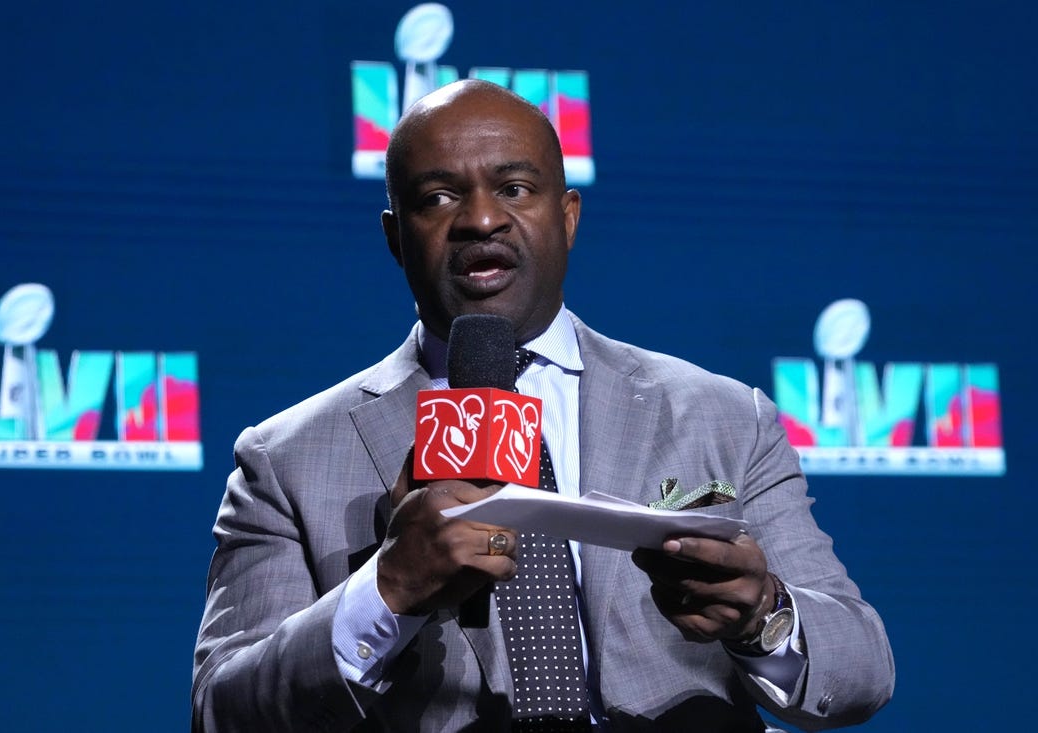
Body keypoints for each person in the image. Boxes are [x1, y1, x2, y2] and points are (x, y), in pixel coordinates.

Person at [192, 79, 894, 732]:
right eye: (438, 197)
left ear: (567, 217)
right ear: (393, 237)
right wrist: (387, 589)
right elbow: (220, 709)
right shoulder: (285, 460)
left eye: (515, 187)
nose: (481, 219)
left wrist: (760, 616)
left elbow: (861, 669)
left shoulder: (724, 417)